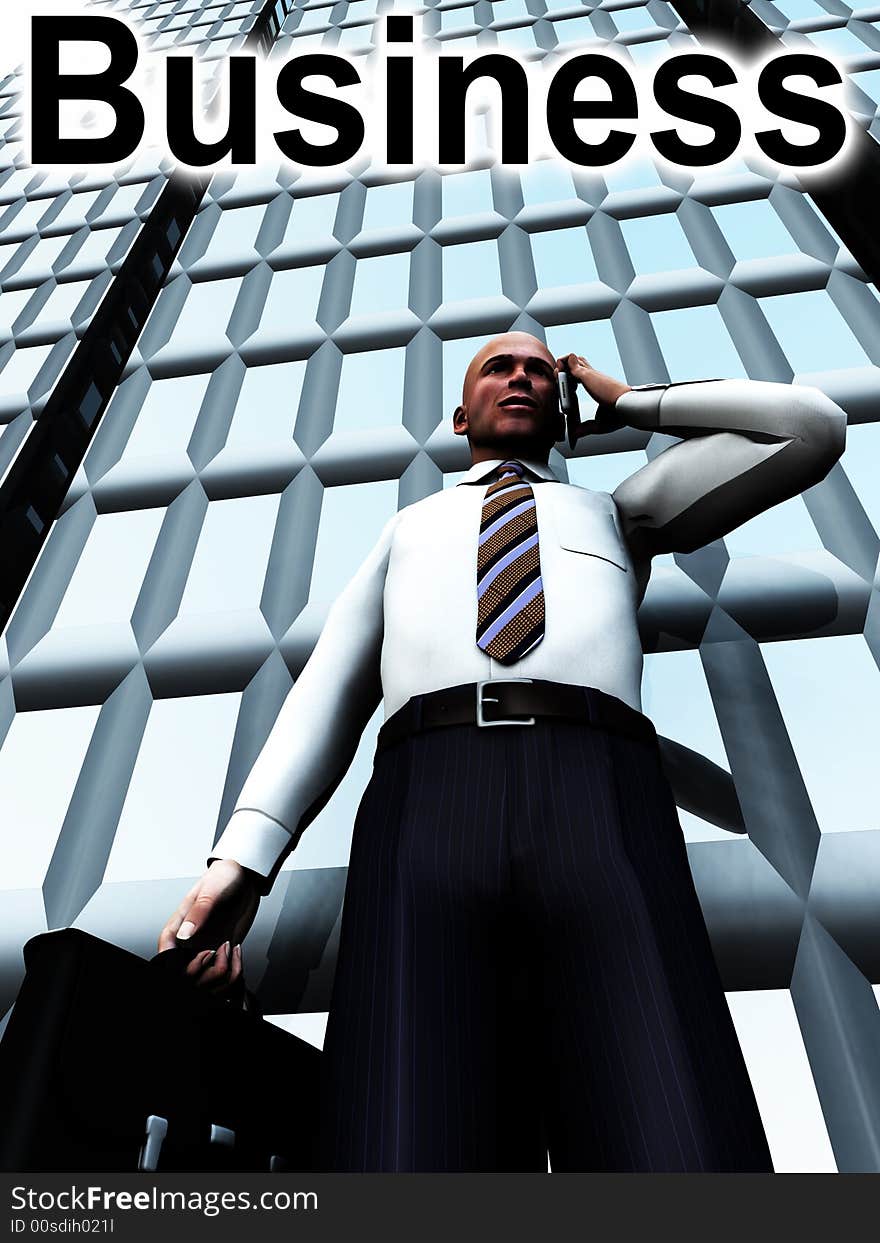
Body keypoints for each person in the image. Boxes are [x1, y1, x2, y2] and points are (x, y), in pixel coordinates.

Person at [159, 334, 846, 1171]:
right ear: (461, 414)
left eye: (540, 371)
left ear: (562, 406)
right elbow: (331, 690)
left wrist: (631, 402)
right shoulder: (409, 529)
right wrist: (242, 860)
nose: (522, 376)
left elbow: (807, 429)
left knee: (673, 1111)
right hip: (425, 796)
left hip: (603, 792)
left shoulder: (621, 513)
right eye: (499, 367)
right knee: (403, 1128)